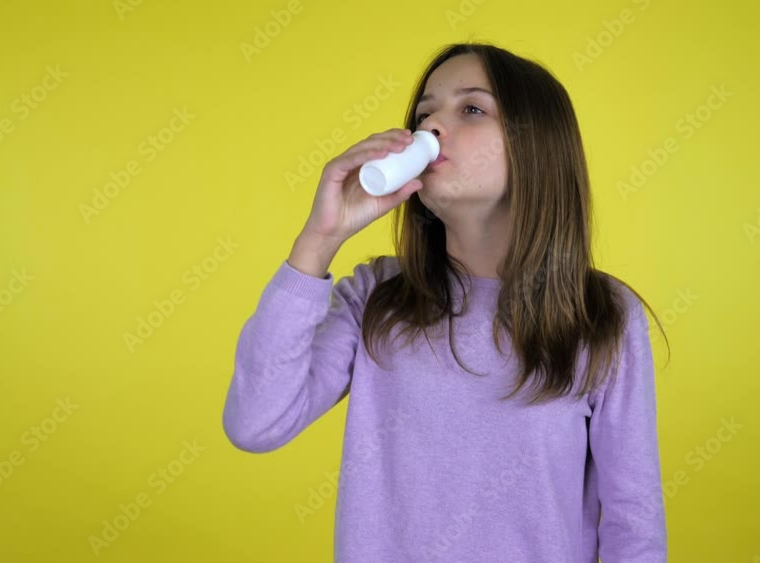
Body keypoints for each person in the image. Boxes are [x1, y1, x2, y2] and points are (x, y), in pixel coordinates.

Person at [223, 41, 671, 562]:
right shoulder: (376, 299)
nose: (430, 127)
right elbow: (255, 423)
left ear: (537, 145)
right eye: (424, 113)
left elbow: (631, 520)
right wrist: (319, 239)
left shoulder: (601, 315)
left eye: (472, 109)